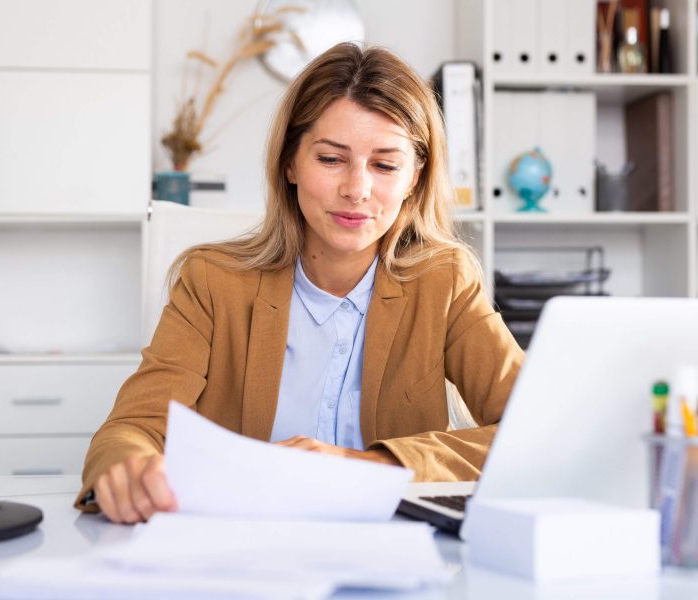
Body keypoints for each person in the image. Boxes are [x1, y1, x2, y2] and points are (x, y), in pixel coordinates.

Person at [76, 42, 524, 524]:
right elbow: (131, 428)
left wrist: (369, 465)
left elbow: (533, 433)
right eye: (331, 159)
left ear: (415, 177)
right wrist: (129, 466)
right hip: (239, 552)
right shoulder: (212, 282)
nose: (356, 189)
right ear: (290, 164)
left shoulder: (445, 283)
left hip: (391, 552)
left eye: (385, 165)